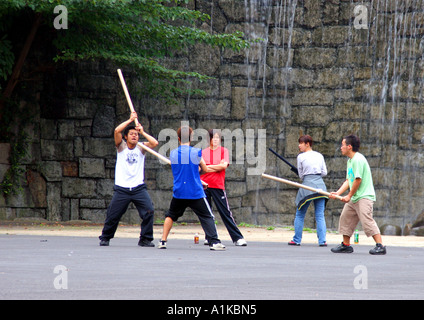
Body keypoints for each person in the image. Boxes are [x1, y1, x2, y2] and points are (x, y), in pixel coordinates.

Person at [157, 125, 226, 251]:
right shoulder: (196, 152)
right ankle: (214, 242)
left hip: (179, 192)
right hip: (195, 192)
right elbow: (204, 169)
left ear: (178, 138)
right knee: (207, 216)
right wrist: (198, 177)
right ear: (191, 137)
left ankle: (163, 240)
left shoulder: (172, 154)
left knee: (171, 215)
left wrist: (195, 177)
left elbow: (183, 172)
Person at [99, 112, 158, 247]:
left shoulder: (141, 147)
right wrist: (130, 120)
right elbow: (116, 130)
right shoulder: (121, 147)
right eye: (131, 134)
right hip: (122, 188)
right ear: (126, 137)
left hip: (138, 188)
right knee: (113, 214)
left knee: (149, 211)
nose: (134, 136)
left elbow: (154, 143)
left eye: (136, 134)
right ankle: (105, 237)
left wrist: (142, 131)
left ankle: (145, 239)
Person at [330, 134, 386, 255]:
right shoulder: (350, 161)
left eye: (342, 145)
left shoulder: (358, 159)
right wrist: (338, 193)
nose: (341, 147)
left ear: (349, 146)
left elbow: (358, 180)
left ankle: (380, 246)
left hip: (364, 196)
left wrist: (349, 196)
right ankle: (345, 245)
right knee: (346, 217)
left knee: (367, 220)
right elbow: (348, 181)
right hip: (355, 196)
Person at [201, 129, 247, 246]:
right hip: (205, 185)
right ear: (209, 139)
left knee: (225, 212)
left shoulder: (223, 151)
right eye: (213, 137)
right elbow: (200, 169)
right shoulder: (203, 152)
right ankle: (209, 237)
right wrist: (216, 166)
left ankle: (237, 238)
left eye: (217, 137)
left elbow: (223, 166)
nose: (215, 140)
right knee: (207, 212)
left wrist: (208, 167)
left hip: (217, 185)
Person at [288, 135, 328, 247]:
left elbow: (301, 175)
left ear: (308, 144)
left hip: (307, 185)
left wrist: (307, 175)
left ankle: (296, 240)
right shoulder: (319, 155)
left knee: (300, 213)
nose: (299, 145)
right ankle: (322, 241)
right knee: (320, 215)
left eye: (301, 143)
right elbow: (324, 172)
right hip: (320, 185)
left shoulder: (301, 157)